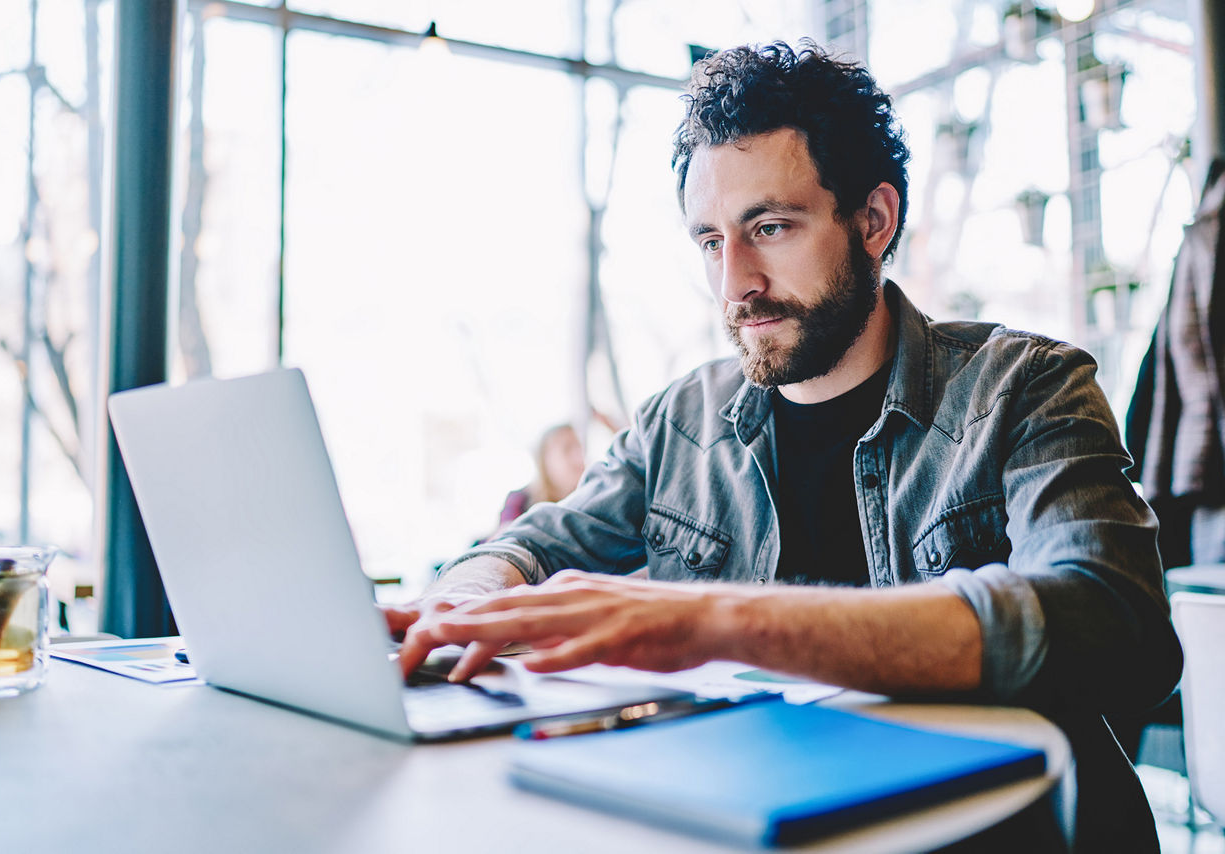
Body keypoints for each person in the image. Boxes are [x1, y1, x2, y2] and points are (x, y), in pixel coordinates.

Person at [386, 41, 1181, 850]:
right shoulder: (681, 419)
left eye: (769, 227)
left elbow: (1115, 628)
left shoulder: (1024, 386)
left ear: (874, 220)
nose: (735, 283)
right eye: (709, 241)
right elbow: (535, 545)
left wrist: (718, 618)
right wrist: (465, 600)